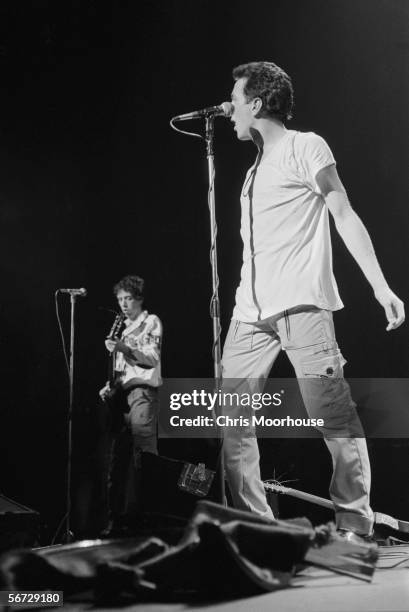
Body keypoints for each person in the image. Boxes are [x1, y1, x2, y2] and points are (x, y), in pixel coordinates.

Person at [221, 61, 405, 544]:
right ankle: (258, 528)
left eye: (235, 98)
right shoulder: (253, 168)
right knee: (231, 419)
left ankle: (354, 523)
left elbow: (343, 213)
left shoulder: (306, 146)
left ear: (257, 103)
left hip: (302, 307)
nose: (229, 107)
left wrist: (380, 286)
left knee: (333, 416)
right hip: (248, 315)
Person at [99, 274, 162, 533]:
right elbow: (121, 368)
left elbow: (151, 358)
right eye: (120, 299)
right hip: (121, 397)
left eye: (128, 298)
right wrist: (110, 385)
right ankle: (117, 520)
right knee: (117, 458)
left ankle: (149, 518)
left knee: (143, 455)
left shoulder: (150, 322)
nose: (124, 304)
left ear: (138, 299)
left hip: (143, 393)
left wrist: (123, 348)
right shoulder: (122, 328)